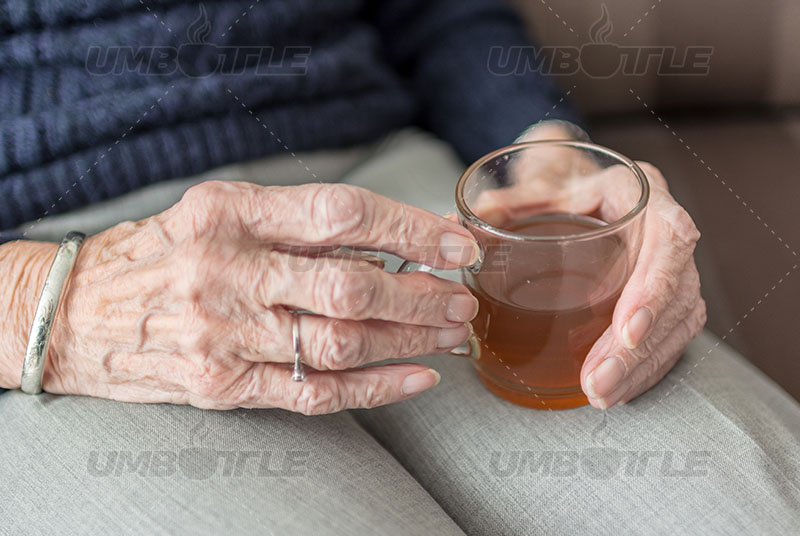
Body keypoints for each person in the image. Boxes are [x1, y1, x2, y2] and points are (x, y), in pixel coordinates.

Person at [0, 1, 798, 534]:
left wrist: (543, 159)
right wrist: (46, 307)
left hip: (393, 184)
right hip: (66, 262)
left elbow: (433, 10)